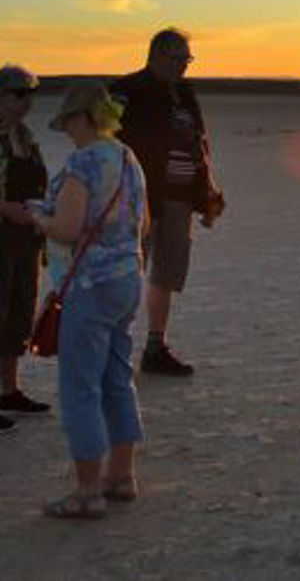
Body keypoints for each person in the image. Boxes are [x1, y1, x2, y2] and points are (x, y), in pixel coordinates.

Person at [30, 81, 147, 519]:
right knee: (117, 379)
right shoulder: (127, 156)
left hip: (90, 286)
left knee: (79, 386)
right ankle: (122, 476)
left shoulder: (83, 162)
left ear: (82, 118)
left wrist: (40, 219)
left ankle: (86, 491)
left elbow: (68, 227)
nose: (66, 132)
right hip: (126, 280)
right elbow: (143, 222)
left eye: (68, 123)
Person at [111, 28, 224, 376]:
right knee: (125, 273)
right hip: (138, 198)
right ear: (157, 55)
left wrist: (209, 191)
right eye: (178, 59)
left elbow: (198, 143)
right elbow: (102, 139)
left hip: (179, 199)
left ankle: (156, 347)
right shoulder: (126, 90)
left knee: (167, 274)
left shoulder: (185, 93)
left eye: (187, 60)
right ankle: (114, 351)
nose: (183, 67)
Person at [0, 66, 51, 431]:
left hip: (26, 238)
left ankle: (9, 389)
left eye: (30, 93)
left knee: (20, 311)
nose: (26, 101)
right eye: (18, 94)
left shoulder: (25, 136)